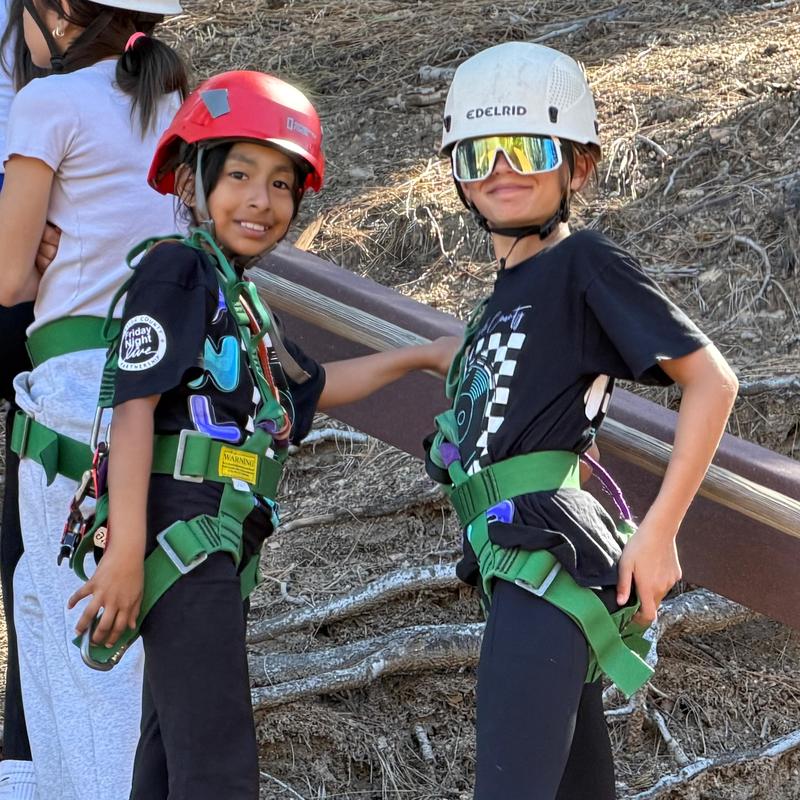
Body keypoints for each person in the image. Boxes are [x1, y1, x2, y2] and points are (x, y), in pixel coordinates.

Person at [65, 70, 454, 800]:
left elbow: (309, 391)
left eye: (281, 184)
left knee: (171, 754)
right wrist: (122, 553)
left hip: (220, 534)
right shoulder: (175, 271)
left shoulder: (240, 302)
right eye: (239, 174)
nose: (261, 199)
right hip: (182, 532)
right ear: (191, 184)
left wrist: (424, 355)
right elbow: (134, 407)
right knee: (216, 765)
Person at [426, 42, 739, 800]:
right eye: (479, 152)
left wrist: (661, 532)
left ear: (579, 167)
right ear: (459, 174)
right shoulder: (502, 298)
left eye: (528, 148)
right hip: (517, 558)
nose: (502, 167)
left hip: (548, 558)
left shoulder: (582, 264)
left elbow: (711, 381)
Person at [0, 1, 188, 797]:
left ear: (60, 10)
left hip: (73, 392)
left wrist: (46, 251)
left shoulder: (47, 104)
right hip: (160, 383)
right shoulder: (178, 103)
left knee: (66, 651)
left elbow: (9, 278)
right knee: (107, 655)